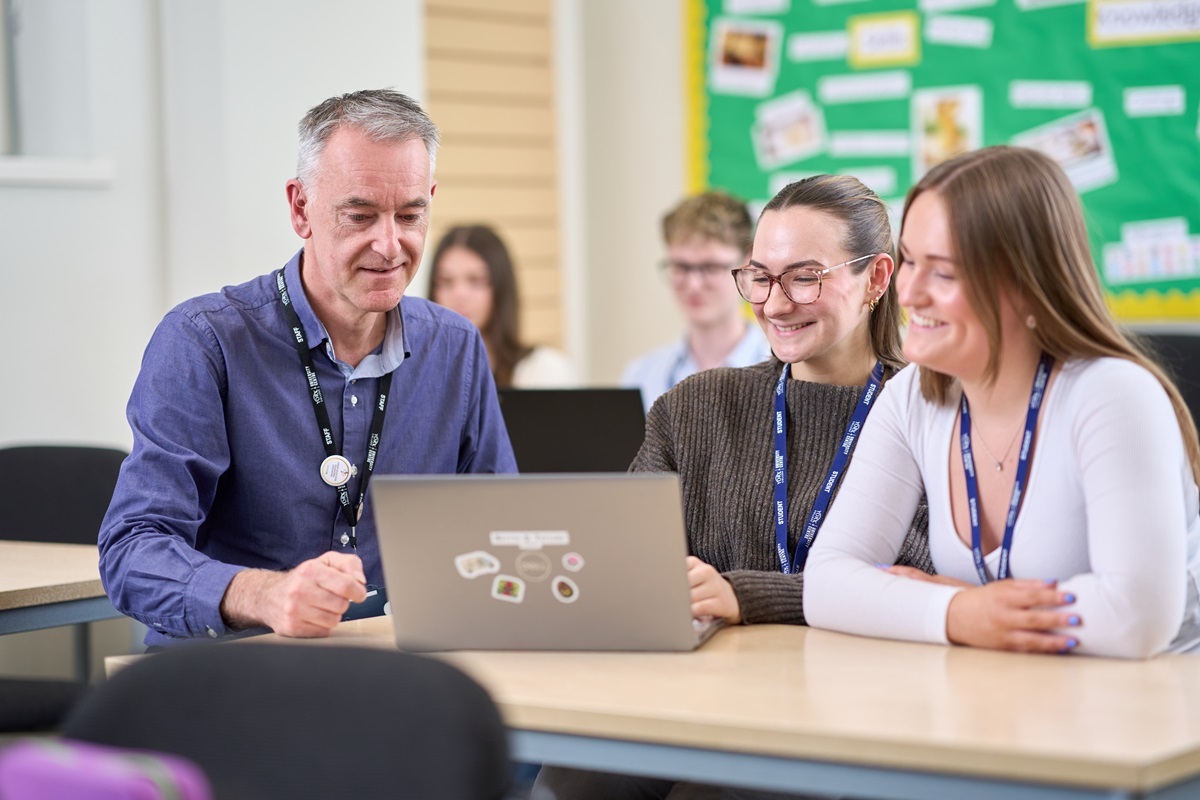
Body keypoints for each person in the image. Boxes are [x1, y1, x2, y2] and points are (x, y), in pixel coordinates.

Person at [533, 175, 932, 800]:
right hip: (694, 697)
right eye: (760, 277)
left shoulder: (924, 414)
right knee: (570, 782)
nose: (774, 305)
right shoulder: (697, 405)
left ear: (877, 279)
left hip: (855, 709)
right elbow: (627, 556)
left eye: (805, 277)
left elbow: (915, 581)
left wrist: (745, 595)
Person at [99, 90, 517, 647]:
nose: (390, 244)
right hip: (234, 676)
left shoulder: (455, 346)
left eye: (411, 215)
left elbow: (502, 530)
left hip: (395, 670)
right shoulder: (205, 341)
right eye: (360, 215)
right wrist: (263, 595)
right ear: (301, 208)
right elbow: (133, 548)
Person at [803, 145, 1200, 658]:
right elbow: (827, 584)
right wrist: (960, 614)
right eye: (910, 261)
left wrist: (962, 603)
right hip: (1017, 699)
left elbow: (1135, 618)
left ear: (1027, 286)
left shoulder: (1113, 394)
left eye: (943, 273)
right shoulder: (912, 397)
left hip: (1156, 710)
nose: (911, 293)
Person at [621, 191, 771, 411]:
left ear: (748, 264)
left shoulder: (785, 372)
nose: (693, 285)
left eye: (710, 267)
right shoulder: (640, 376)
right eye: (681, 267)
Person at [428, 224, 576, 388]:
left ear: (501, 288)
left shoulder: (542, 370)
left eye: (476, 281)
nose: (459, 294)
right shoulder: (421, 372)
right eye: (446, 282)